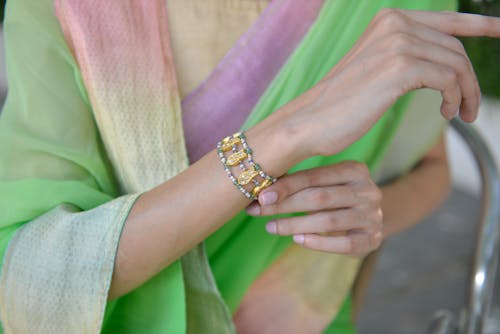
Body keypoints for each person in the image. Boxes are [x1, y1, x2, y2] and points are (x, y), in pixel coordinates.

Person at [0, 0, 497, 333]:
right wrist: (287, 134)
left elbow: (434, 171)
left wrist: (370, 210)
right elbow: (26, 278)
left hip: (301, 316)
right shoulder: (64, 9)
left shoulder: (393, 6)